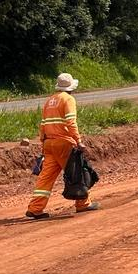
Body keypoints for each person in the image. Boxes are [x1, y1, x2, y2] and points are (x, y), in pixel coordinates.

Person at [26, 73, 98, 219]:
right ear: (71, 87)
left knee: (45, 178)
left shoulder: (50, 100)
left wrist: (43, 142)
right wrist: (78, 141)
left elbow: (43, 124)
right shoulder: (68, 99)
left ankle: (35, 208)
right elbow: (71, 122)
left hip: (49, 143)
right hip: (64, 143)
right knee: (75, 173)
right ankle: (83, 204)